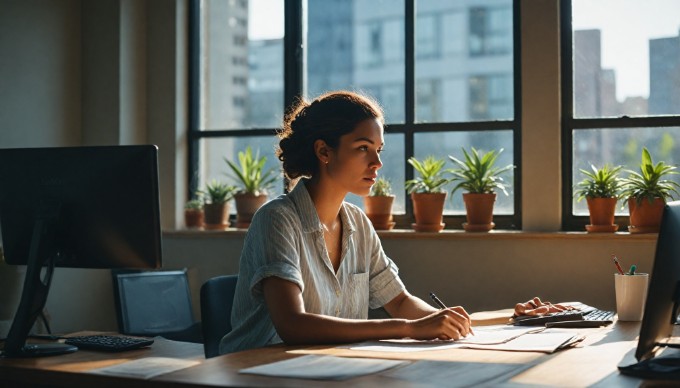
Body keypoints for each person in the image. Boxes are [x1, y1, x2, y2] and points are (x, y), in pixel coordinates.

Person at [220, 90, 473, 354]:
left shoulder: (358, 223)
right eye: (363, 148)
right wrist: (409, 328)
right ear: (323, 151)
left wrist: (442, 321)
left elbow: (398, 301)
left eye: (378, 149)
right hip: (258, 371)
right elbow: (292, 325)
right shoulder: (277, 219)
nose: (377, 162)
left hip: (328, 369)